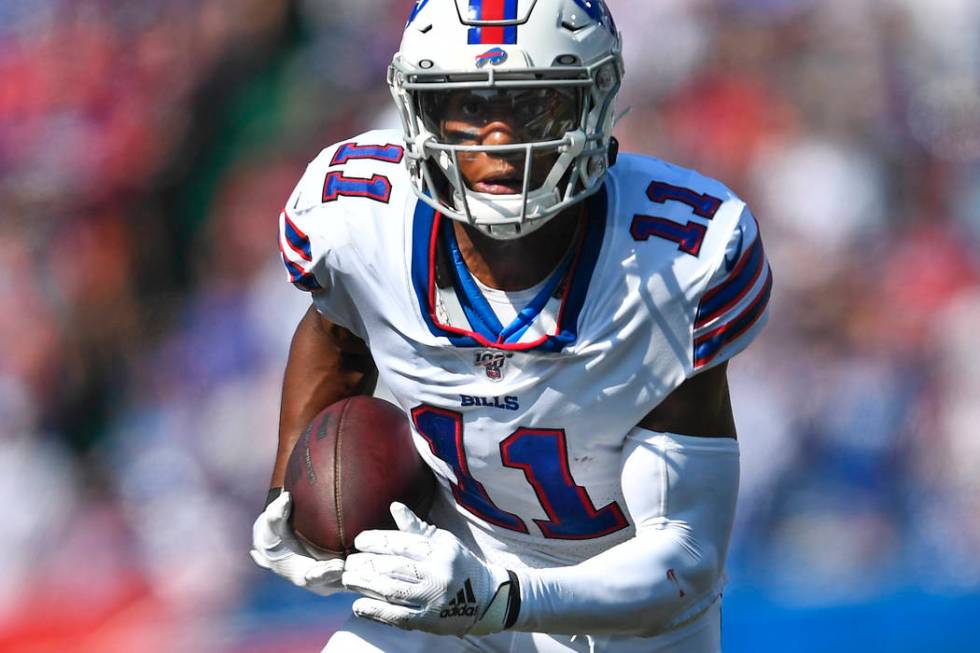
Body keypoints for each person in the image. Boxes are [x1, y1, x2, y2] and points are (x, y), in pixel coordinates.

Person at [251, 1, 772, 651]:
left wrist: (501, 595)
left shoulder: (676, 262)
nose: (499, 138)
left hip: (626, 617)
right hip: (454, 565)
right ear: (422, 111)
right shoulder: (358, 218)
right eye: (469, 104)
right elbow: (335, 329)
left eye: (532, 105)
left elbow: (684, 561)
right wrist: (287, 492)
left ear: (594, 101)